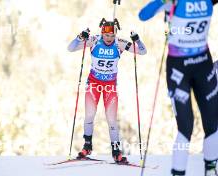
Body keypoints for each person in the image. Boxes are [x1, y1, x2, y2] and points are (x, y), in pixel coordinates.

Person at [139, 0, 218, 175]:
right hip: (178, 69)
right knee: (185, 127)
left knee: (213, 123)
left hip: (203, 65)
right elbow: (143, 15)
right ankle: (178, 172)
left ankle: (211, 169)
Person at [68, 18, 147, 163]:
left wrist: (137, 40)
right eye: (106, 35)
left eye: (112, 36)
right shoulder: (94, 40)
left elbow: (142, 52)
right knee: (89, 116)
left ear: (115, 34)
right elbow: (71, 48)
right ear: (102, 33)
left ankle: (116, 151)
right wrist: (80, 37)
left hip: (110, 86)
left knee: (111, 119)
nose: (109, 39)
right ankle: (87, 146)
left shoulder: (120, 43)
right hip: (93, 84)